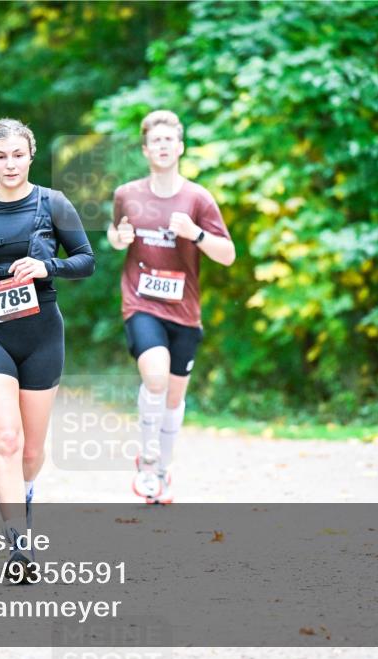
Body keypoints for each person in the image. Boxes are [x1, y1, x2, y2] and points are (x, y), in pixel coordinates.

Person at [0, 118, 94, 578]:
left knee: (31, 450)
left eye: (18, 155)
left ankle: (26, 493)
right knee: (6, 439)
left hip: (42, 333)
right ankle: (18, 548)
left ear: (31, 155)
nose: (10, 164)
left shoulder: (54, 203)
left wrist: (47, 268)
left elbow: (86, 260)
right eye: (1, 156)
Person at [108, 110, 235, 504]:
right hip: (141, 303)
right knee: (156, 378)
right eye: (155, 141)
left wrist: (195, 233)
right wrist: (119, 237)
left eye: (169, 140)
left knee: (174, 399)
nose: (162, 146)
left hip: (184, 311)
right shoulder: (127, 195)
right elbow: (116, 234)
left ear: (179, 147)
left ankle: (162, 467)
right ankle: (147, 460)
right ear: (146, 150)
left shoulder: (198, 198)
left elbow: (228, 255)